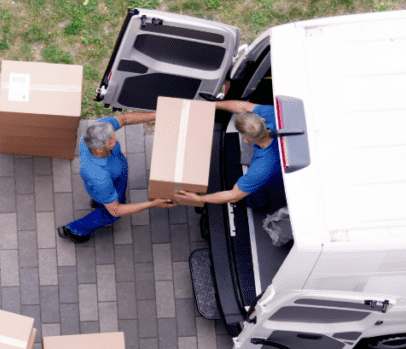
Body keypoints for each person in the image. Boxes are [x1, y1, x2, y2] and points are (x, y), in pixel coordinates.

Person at [58, 112, 176, 244]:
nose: (116, 138)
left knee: (105, 200)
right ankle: (74, 230)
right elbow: (116, 210)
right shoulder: (99, 177)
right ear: (99, 150)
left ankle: (100, 202)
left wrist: (160, 115)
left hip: (112, 182)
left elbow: (124, 118)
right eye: (111, 141)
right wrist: (153, 203)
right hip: (108, 187)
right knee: (109, 215)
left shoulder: (97, 130)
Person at [173, 100, 286, 211]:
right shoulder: (273, 114)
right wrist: (213, 105)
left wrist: (198, 198)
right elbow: (244, 106)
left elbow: (234, 196)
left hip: (278, 179)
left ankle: (256, 204)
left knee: (256, 194)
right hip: (286, 160)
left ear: (246, 140)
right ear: (262, 120)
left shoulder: (261, 168)